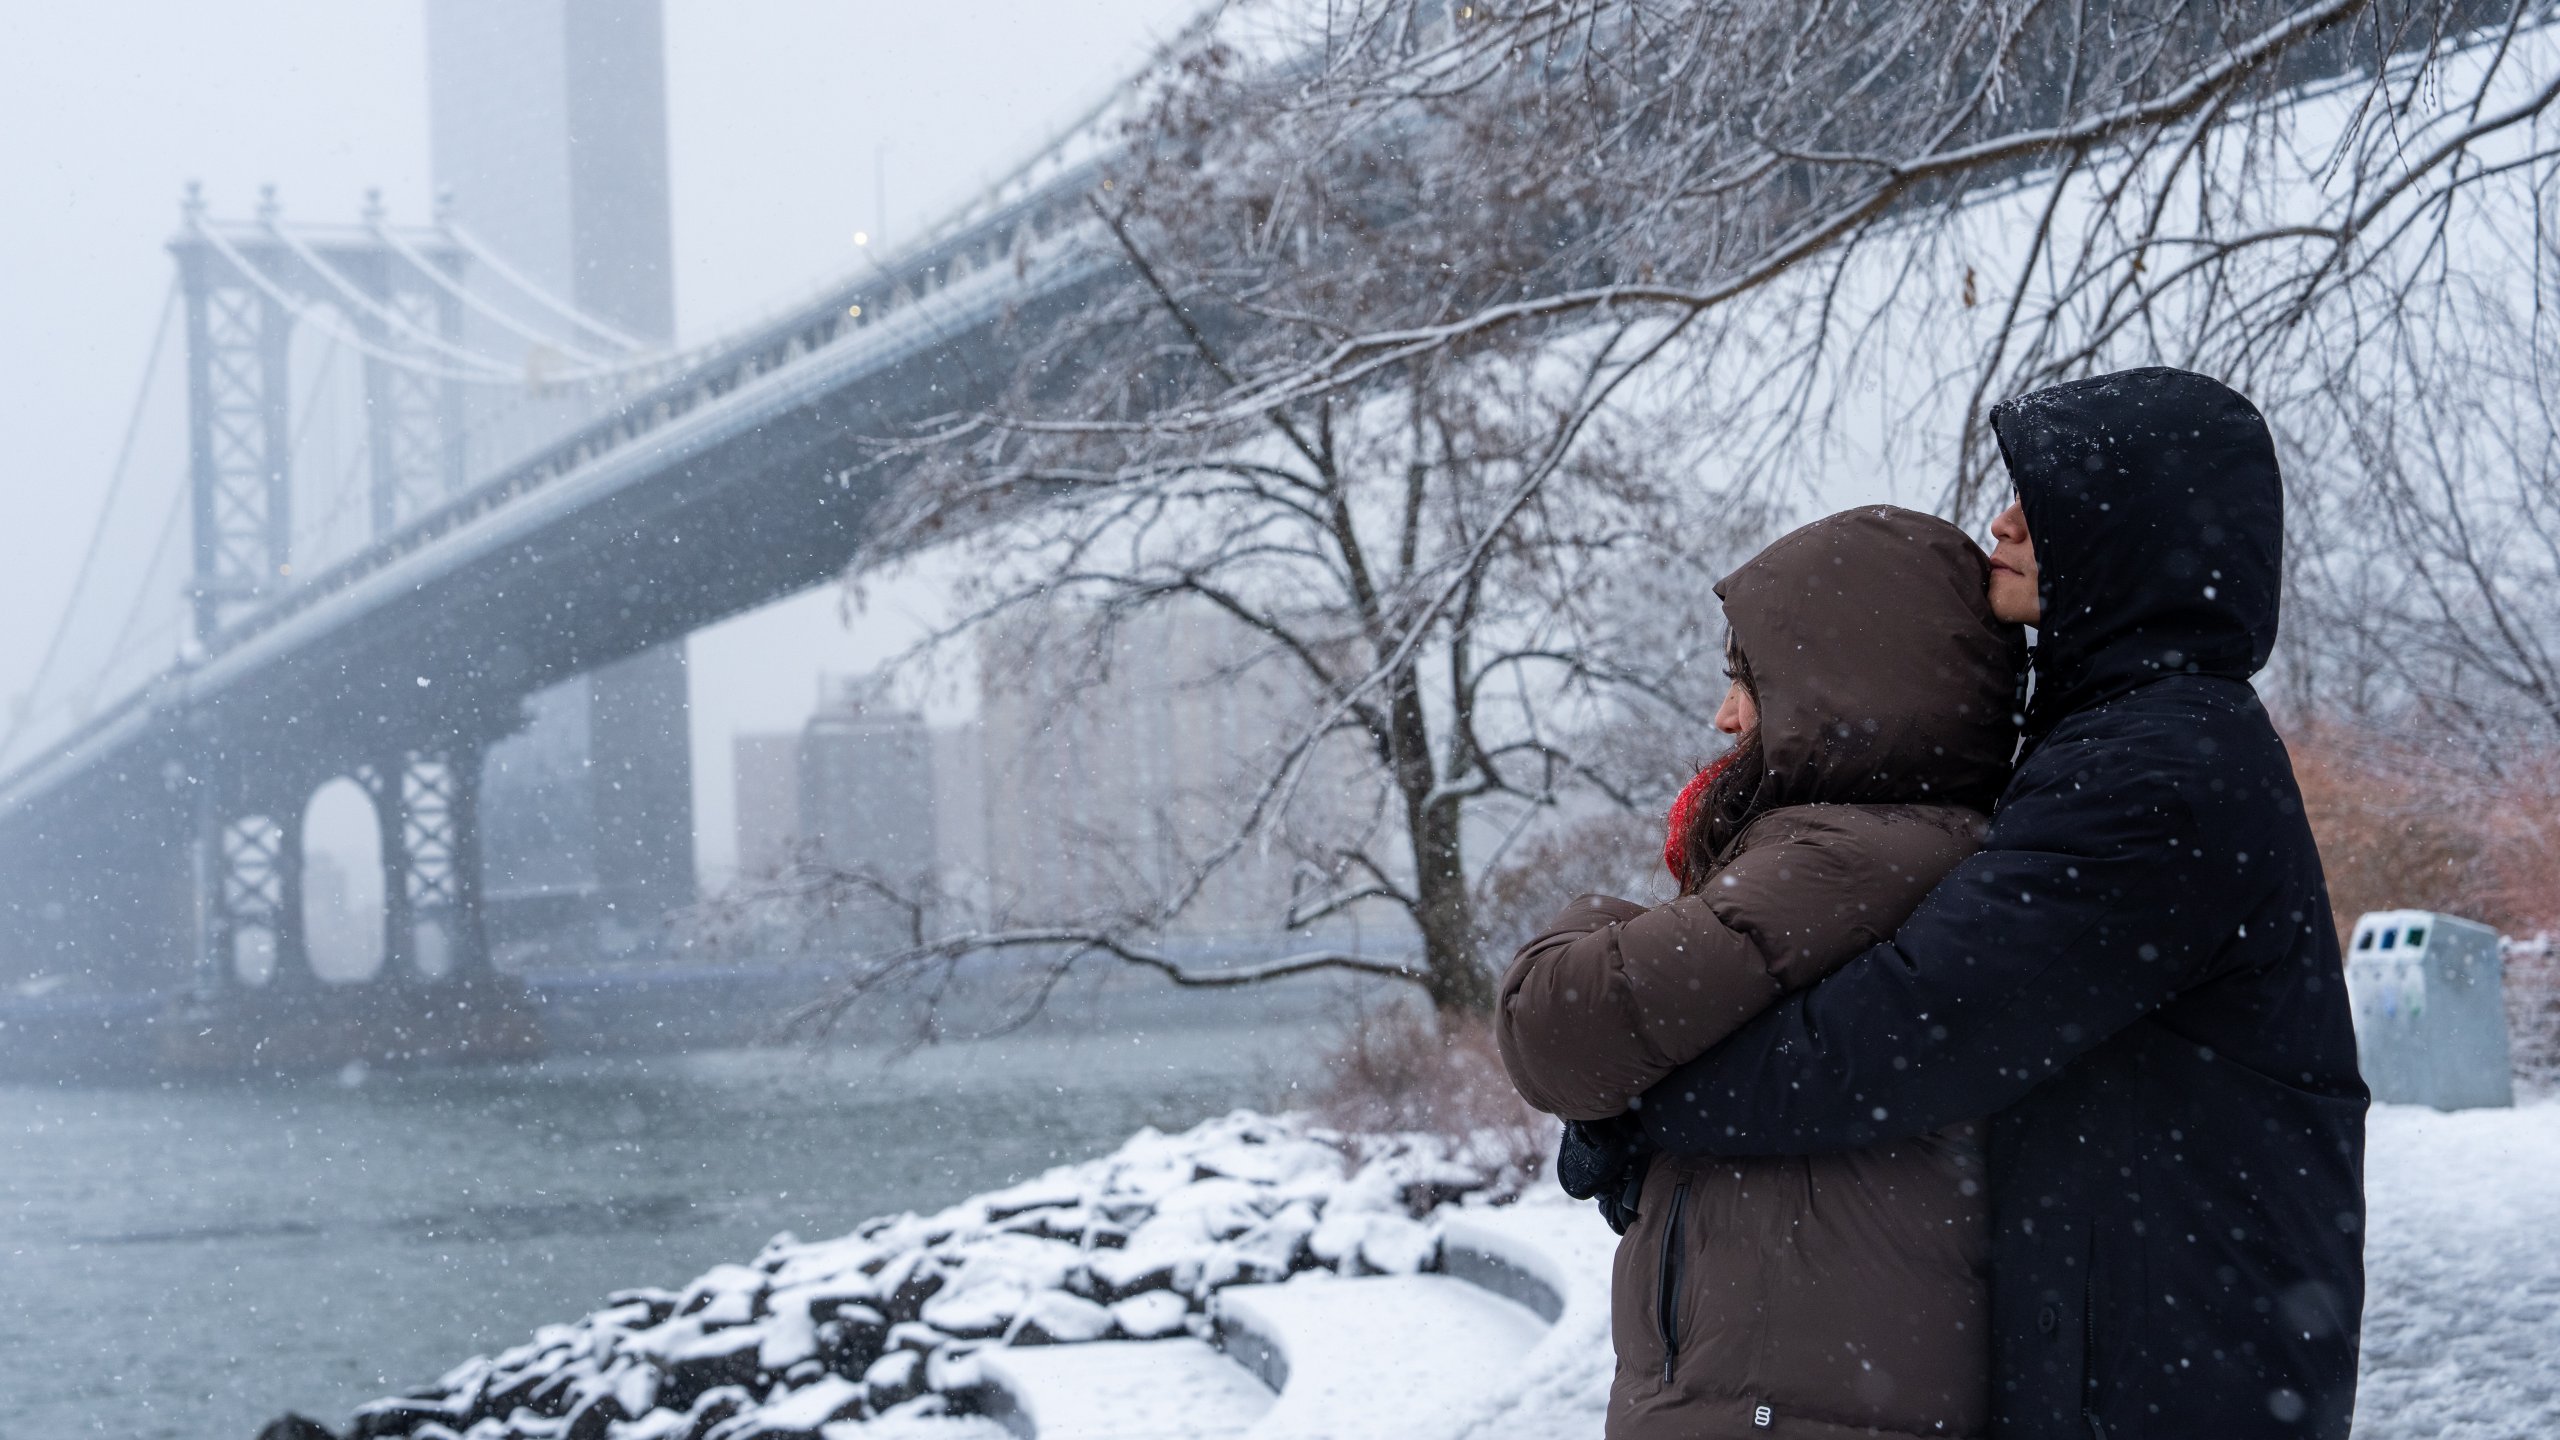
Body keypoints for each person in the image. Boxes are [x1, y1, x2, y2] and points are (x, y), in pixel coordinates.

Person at [1637, 367, 2368, 1439]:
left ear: (2140, 525)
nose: (2003, 518)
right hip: (2162, 1335)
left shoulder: (2156, 771)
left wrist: (1651, 1104)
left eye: (2052, 494)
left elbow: (1914, 1027)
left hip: (2169, 1364)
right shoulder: (2131, 736)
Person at [1496, 504, 2026, 1440]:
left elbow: (1552, 1029)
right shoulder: (1915, 846)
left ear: (1846, 688)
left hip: (1779, 1400)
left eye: (1752, 680)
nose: (1726, 714)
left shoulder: (1843, 861)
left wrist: (1598, 919)